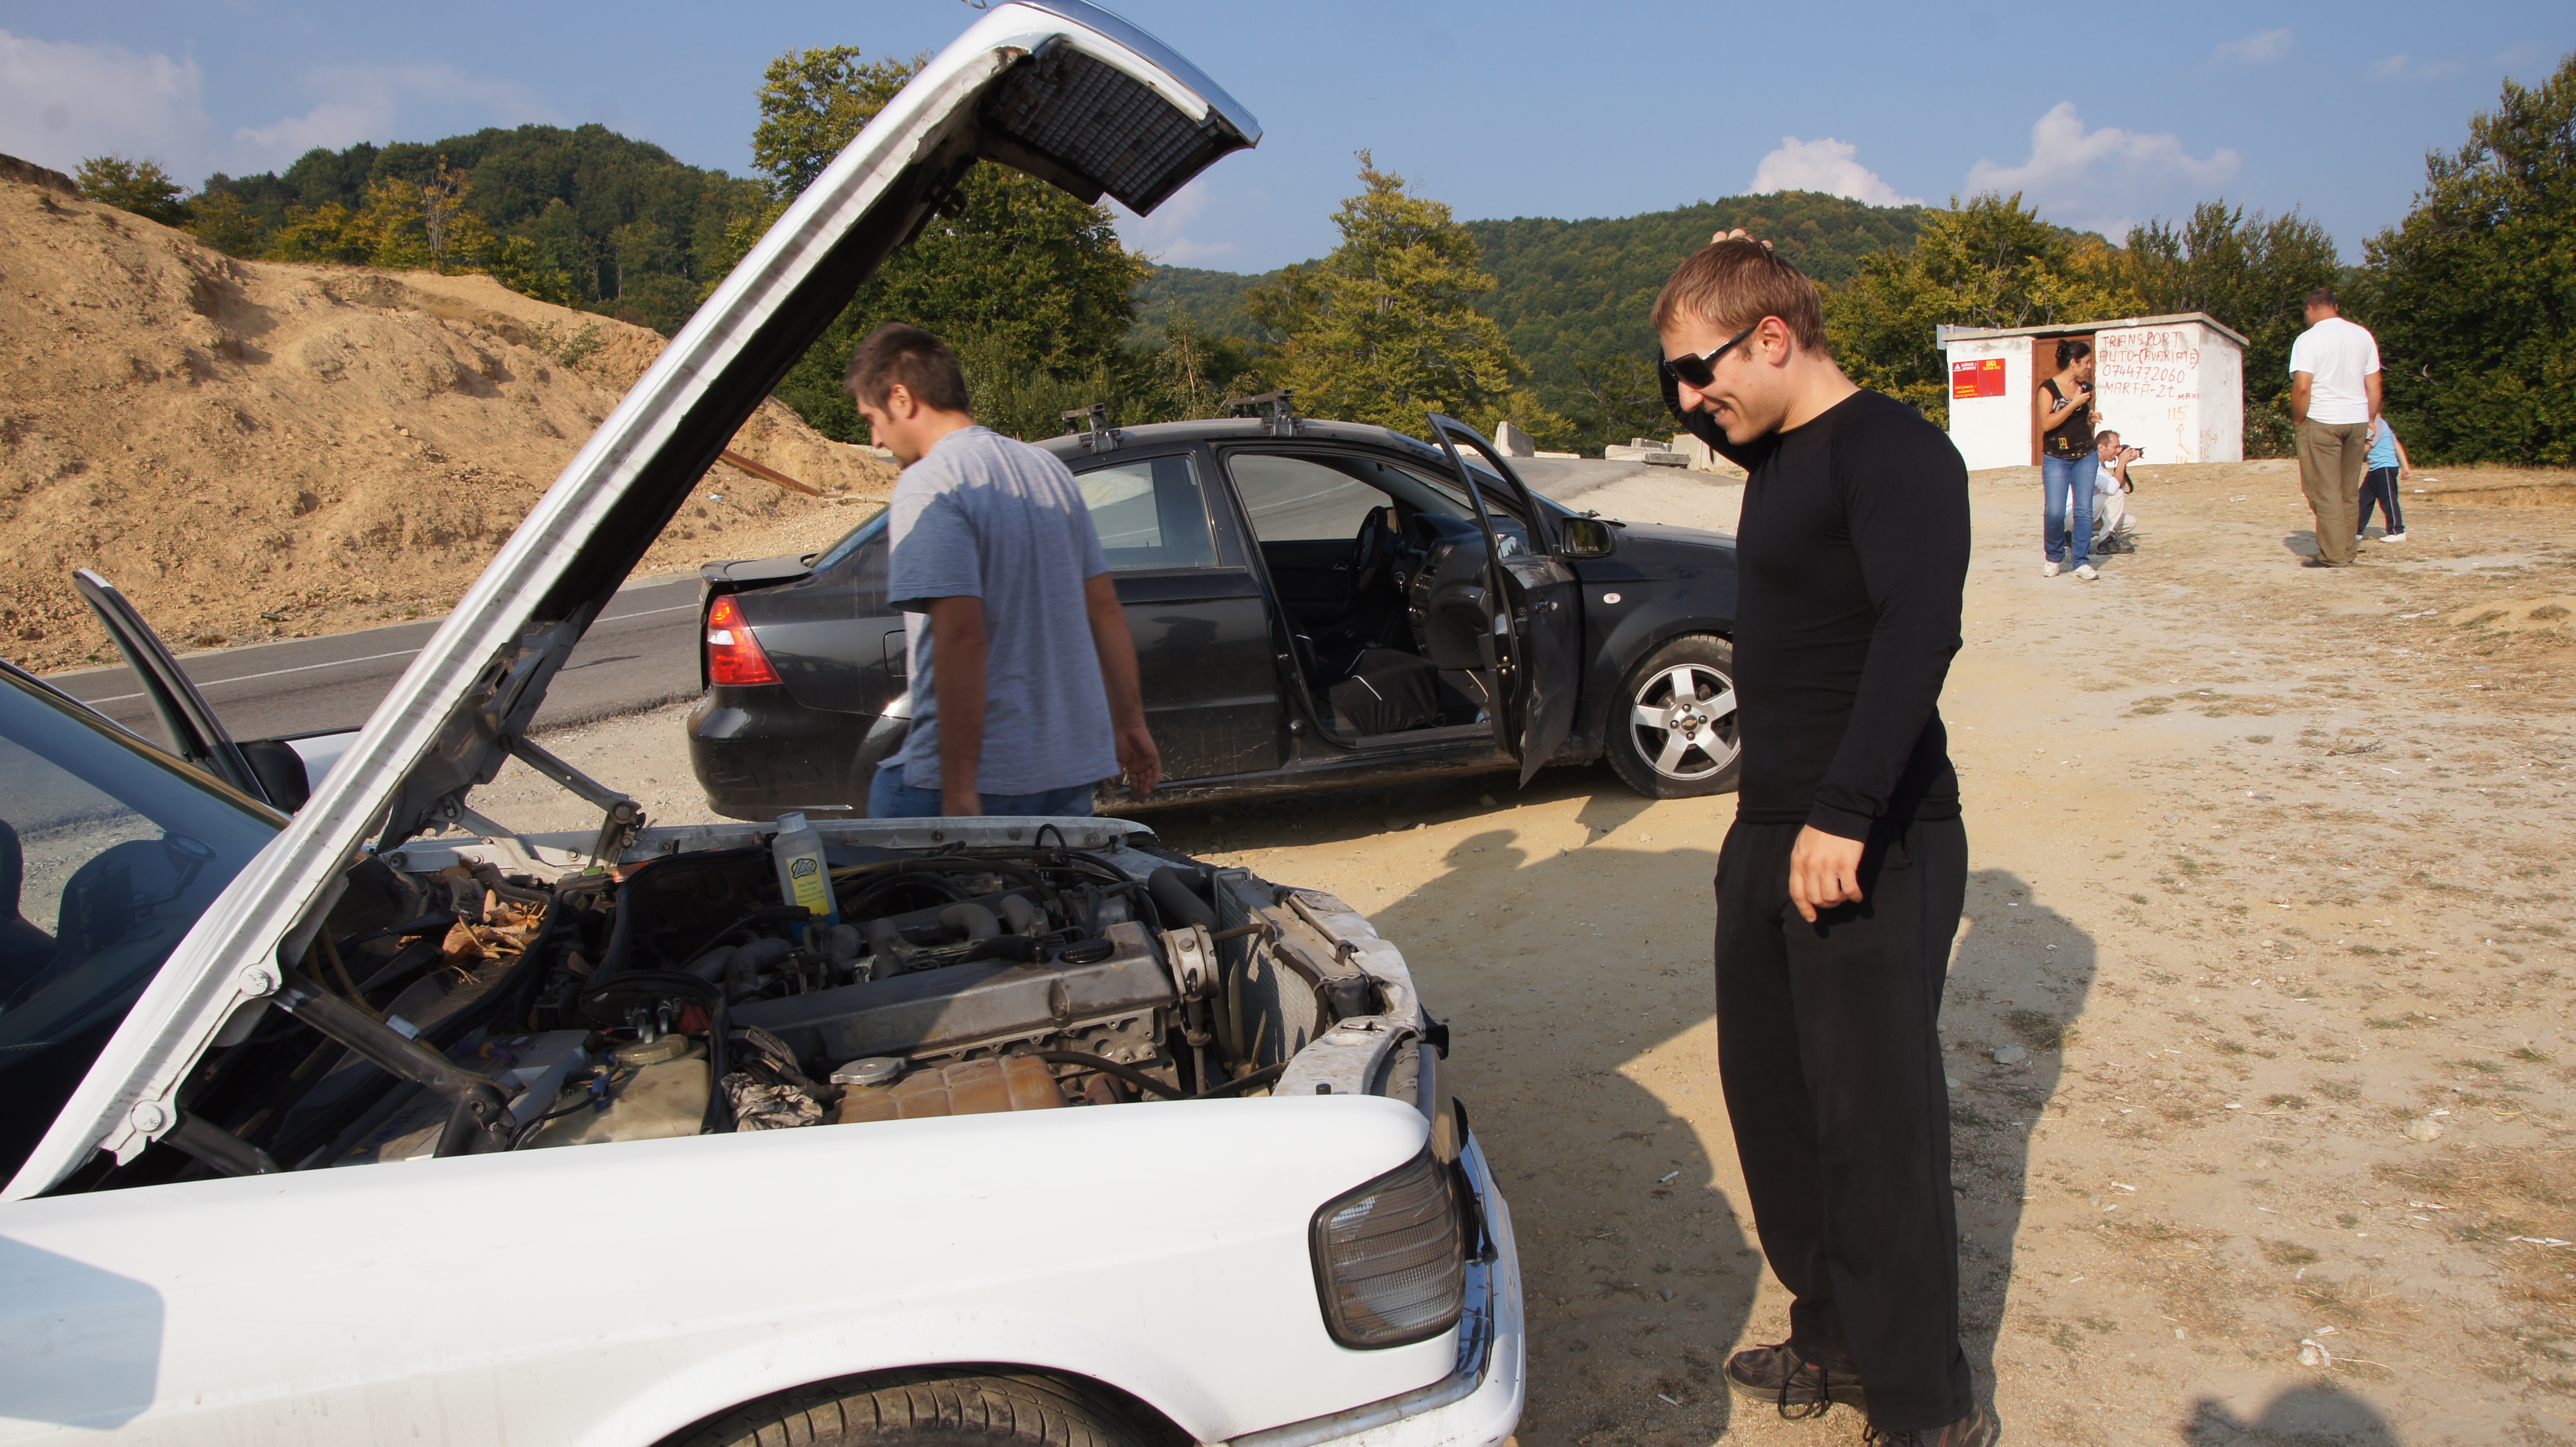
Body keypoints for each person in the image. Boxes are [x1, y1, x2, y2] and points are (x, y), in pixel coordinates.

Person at [1655, 234, 1992, 1446]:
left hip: (1872, 834)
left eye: (1699, 372)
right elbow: (1705, 390)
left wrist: (1845, 810)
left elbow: (1917, 630)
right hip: (1769, 830)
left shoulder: (1893, 451)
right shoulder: (1773, 450)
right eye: (1673, 379)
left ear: (1772, 340)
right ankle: (1833, 1336)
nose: (1688, 401)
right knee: (1778, 1112)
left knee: (1873, 1133)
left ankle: (1923, 1407)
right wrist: (1713, 285)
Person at [849, 323, 1161, 818]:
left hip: (978, 779)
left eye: (872, 418)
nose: (875, 439)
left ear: (902, 399)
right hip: (1066, 777)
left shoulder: (930, 482)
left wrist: (959, 788)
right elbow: (1105, 610)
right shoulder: (1048, 470)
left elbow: (961, 634)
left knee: (870, 852)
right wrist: (1131, 724)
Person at [2288, 287, 2382, 567]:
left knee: (2323, 490)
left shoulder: (2308, 339)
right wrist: (2371, 418)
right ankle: (2348, 549)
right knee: (2348, 491)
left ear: (2310, 309)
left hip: (2323, 419)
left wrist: (2298, 420)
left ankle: (2333, 555)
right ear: (2336, 306)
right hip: (2357, 419)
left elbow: (2302, 387)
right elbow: (2374, 384)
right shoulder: (2363, 335)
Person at [2035, 339, 2098, 580]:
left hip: (2086, 455)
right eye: (2086, 362)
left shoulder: (2085, 389)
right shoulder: (2048, 389)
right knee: (2055, 511)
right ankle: (2054, 557)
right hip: (2056, 457)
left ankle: (2081, 560)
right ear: (2074, 362)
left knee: (2084, 510)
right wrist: (2074, 404)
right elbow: (2047, 423)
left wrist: (2091, 418)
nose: (2089, 367)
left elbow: (2081, 423)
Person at [2359, 415, 2411, 542]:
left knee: (2388, 499)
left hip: (2385, 467)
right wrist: (2405, 467)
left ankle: (2398, 531)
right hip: (2375, 469)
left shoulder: (2376, 425)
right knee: (2364, 499)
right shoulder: (2382, 424)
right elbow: (2396, 444)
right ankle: (2356, 531)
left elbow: (2366, 448)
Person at [2091, 429, 2141, 554]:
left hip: (2088, 512)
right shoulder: (2092, 464)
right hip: (2074, 513)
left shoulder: (2102, 467)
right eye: (2115, 447)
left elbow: (2119, 486)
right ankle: (2106, 541)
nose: (2118, 451)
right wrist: (2121, 463)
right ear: (2101, 447)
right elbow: (2113, 490)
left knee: (2129, 522)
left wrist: (2123, 464)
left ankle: (2074, 536)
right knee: (2115, 494)